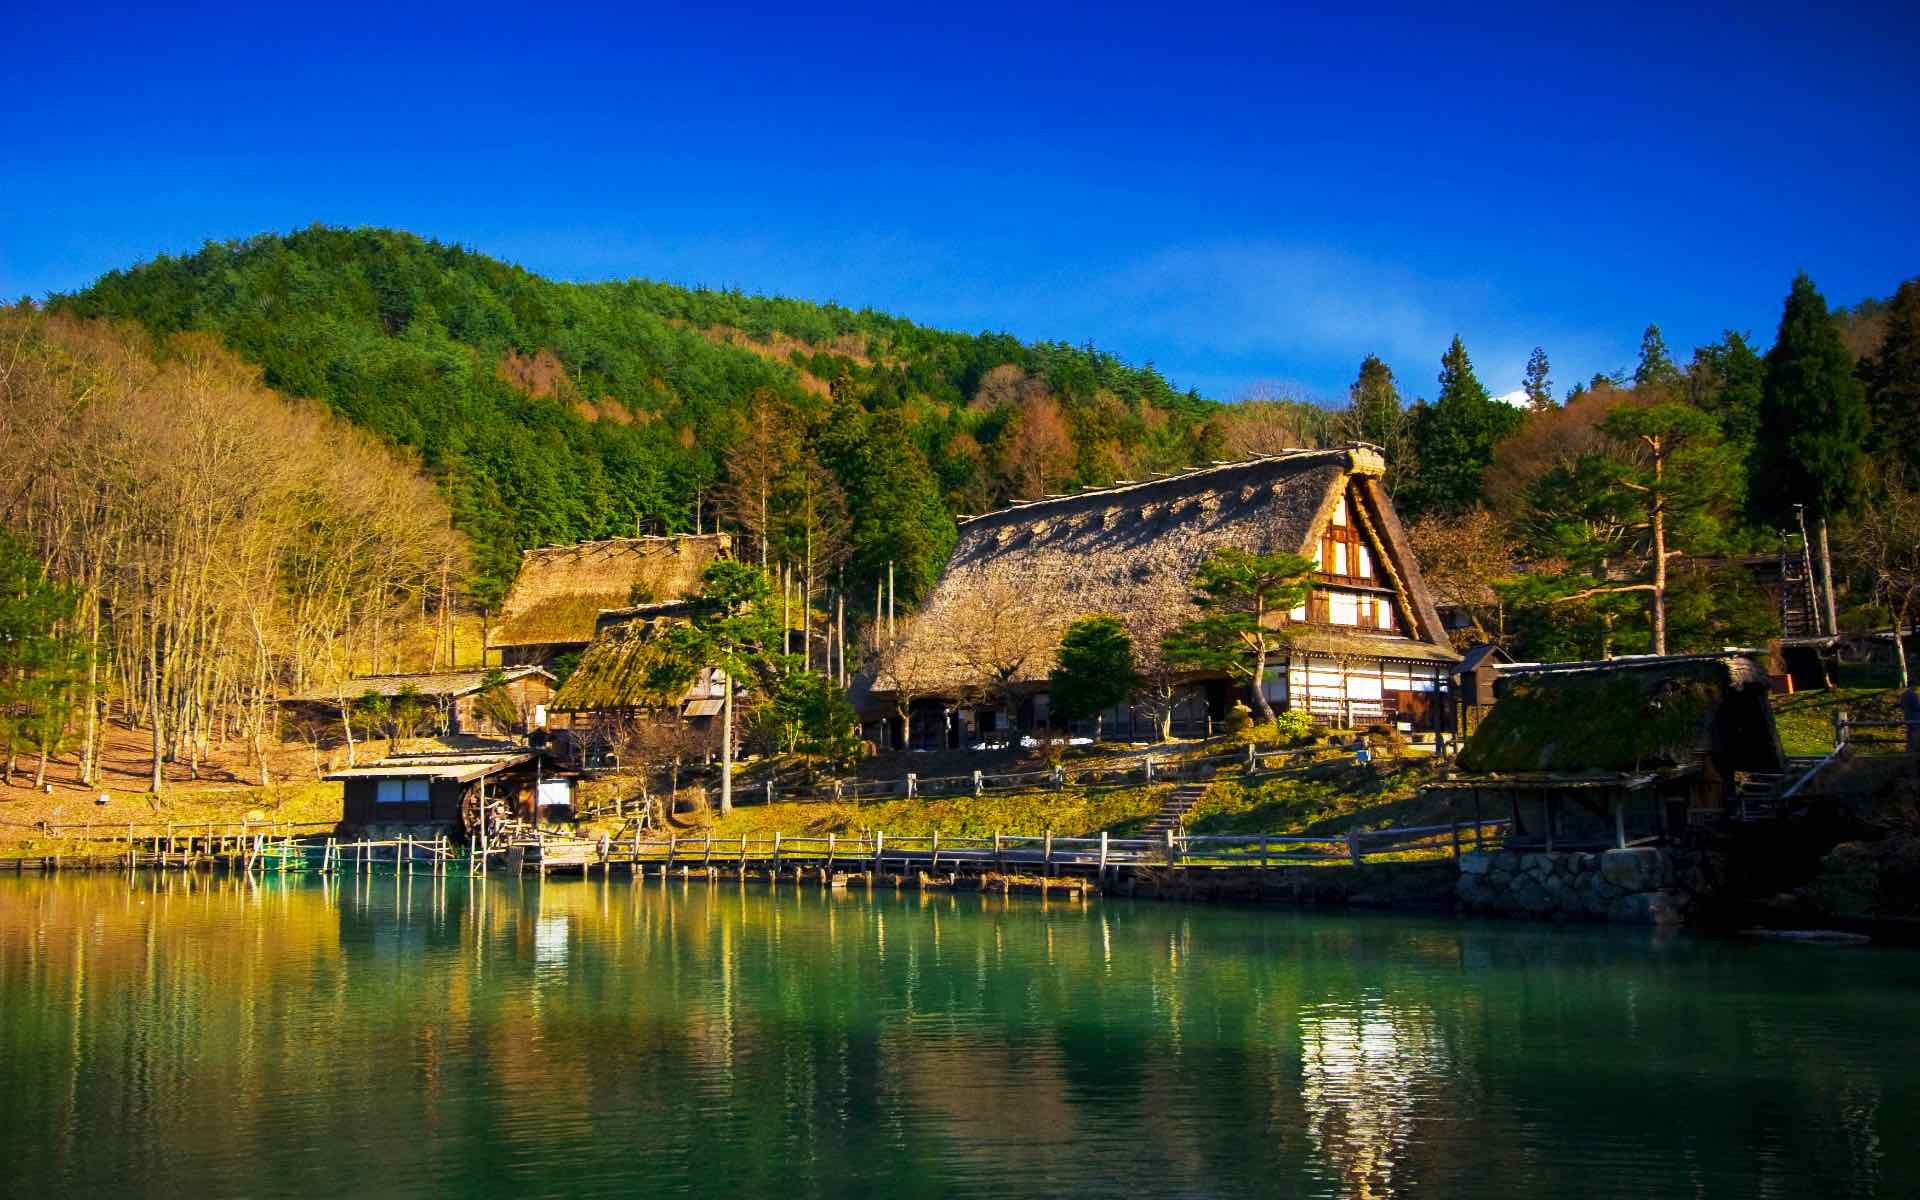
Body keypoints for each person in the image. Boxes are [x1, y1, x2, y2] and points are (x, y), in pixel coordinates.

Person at [1902, 683, 1920, 755]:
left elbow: (1901, 706)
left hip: (1907, 716)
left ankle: (1909, 749)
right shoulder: (1914, 695)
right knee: (1915, 733)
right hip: (1915, 717)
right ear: (1912, 685)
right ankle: (1914, 749)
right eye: (1915, 686)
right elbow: (1916, 707)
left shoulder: (1903, 694)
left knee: (1909, 733)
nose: (1916, 687)